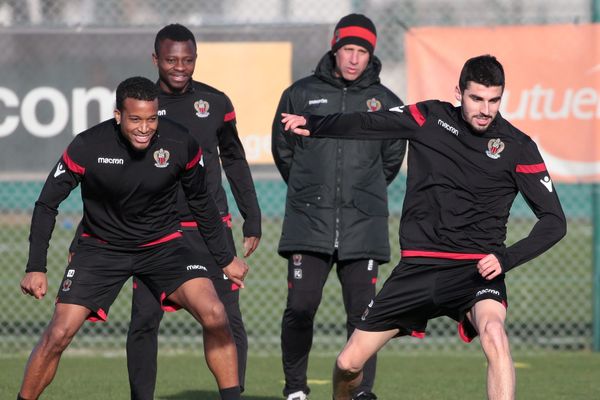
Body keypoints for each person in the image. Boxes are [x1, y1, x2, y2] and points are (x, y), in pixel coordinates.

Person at [282, 55, 567, 400]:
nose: (485, 109)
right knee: (347, 364)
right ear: (459, 92)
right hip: (417, 268)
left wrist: (505, 259)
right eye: (477, 98)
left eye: (494, 100)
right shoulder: (429, 117)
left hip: (475, 270)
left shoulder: (518, 146)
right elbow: (370, 123)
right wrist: (316, 124)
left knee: (494, 333)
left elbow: (554, 221)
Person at [18, 76, 248, 400]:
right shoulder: (88, 146)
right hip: (101, 249)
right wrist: (36, 266)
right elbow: (46, 204)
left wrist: (225, 258)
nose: (145, 128)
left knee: (215, 312)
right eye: (136, 119)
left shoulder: (180, 143)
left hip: (164, 247)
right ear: (118, 116)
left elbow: (201, 203)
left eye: (151, 118)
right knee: (58, 333)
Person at [122, 23, 261, 399]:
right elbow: (117, 172)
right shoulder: (142, 106)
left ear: (196, 59)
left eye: (187, 60)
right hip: (155, 230)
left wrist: (252, 215)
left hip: (210, 228)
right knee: (144, 320)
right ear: (156, 59)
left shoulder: (216, 103)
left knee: (226, 319)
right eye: (171, 60)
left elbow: (234, 159)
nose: (179, 67)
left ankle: (233, 394)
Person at [271, 13, 406, 400]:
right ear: (335, 48)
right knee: (300, 307)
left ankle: (360, 393)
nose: (353, 59)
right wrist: (312, 189)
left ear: (371, 55)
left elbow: (391, 160)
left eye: (362, 51)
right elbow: (284, 152)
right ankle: (295, 389)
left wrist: (361, 193)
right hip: (308, 222)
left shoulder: (387, 103)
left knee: (365, 318)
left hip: (362, 225)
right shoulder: (299, 94)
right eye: (348, 49)